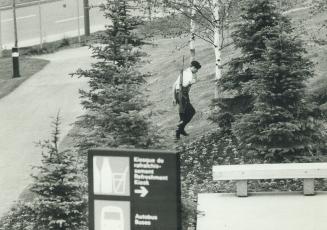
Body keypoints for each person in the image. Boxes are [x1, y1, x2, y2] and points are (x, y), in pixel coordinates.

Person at [173, 60, 201, 140]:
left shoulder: (184, 72)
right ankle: (178, 132)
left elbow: (174, 85)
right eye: (196, 69)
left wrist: (174, 97)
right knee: (191, 112)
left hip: (180, 94)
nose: (197, 71)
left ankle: (180, 131)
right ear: (193, 67)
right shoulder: (188, 74)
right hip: (182, 95)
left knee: (184, 114)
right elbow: (185, 84)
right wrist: (192, 82)